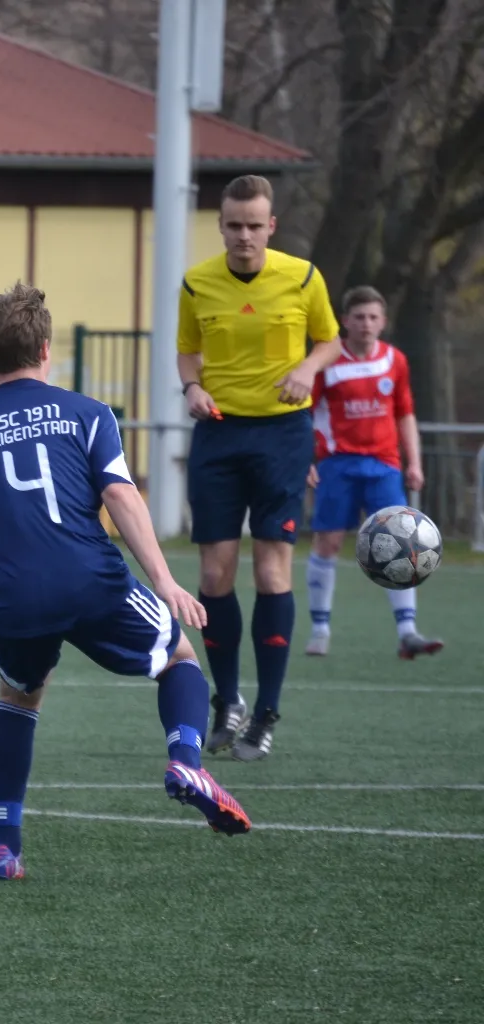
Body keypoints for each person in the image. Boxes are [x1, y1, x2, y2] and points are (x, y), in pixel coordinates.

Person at [0, 282, 251, 882]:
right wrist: (164, 580)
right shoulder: (88, 414)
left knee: (17, 696)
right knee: (178, 657)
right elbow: (120, 494)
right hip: (90, 578)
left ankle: (3, 847)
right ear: (46, 348)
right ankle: (186, 760)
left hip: (13, 595)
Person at [176, 174, 342, 763]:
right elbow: (187, 351)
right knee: (215, 573)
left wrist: (307, 370)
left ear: (270, 227)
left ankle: (266, 712)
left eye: (253, 225)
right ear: (220, 227)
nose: (244, 235)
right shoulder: (196, 283)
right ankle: (228, 701)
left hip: (282, 435)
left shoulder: (303, 277)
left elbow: (330, 341)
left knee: (273, 571)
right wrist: (192, 387)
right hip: (219, 434)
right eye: (234, 225)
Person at [305, 286, 443, 659]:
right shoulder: (327, 360)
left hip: (384, 465)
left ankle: (407, 631)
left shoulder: (395, 360)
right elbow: (305, 412)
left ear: (383, 322)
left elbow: (405, 414)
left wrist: (415, 462)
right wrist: (306, 459)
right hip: (337, 464)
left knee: (403, 543)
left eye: (372, 317)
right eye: (359, 317)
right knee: (328, 542)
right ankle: (320, 629)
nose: (366, 323)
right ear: (345, 321)